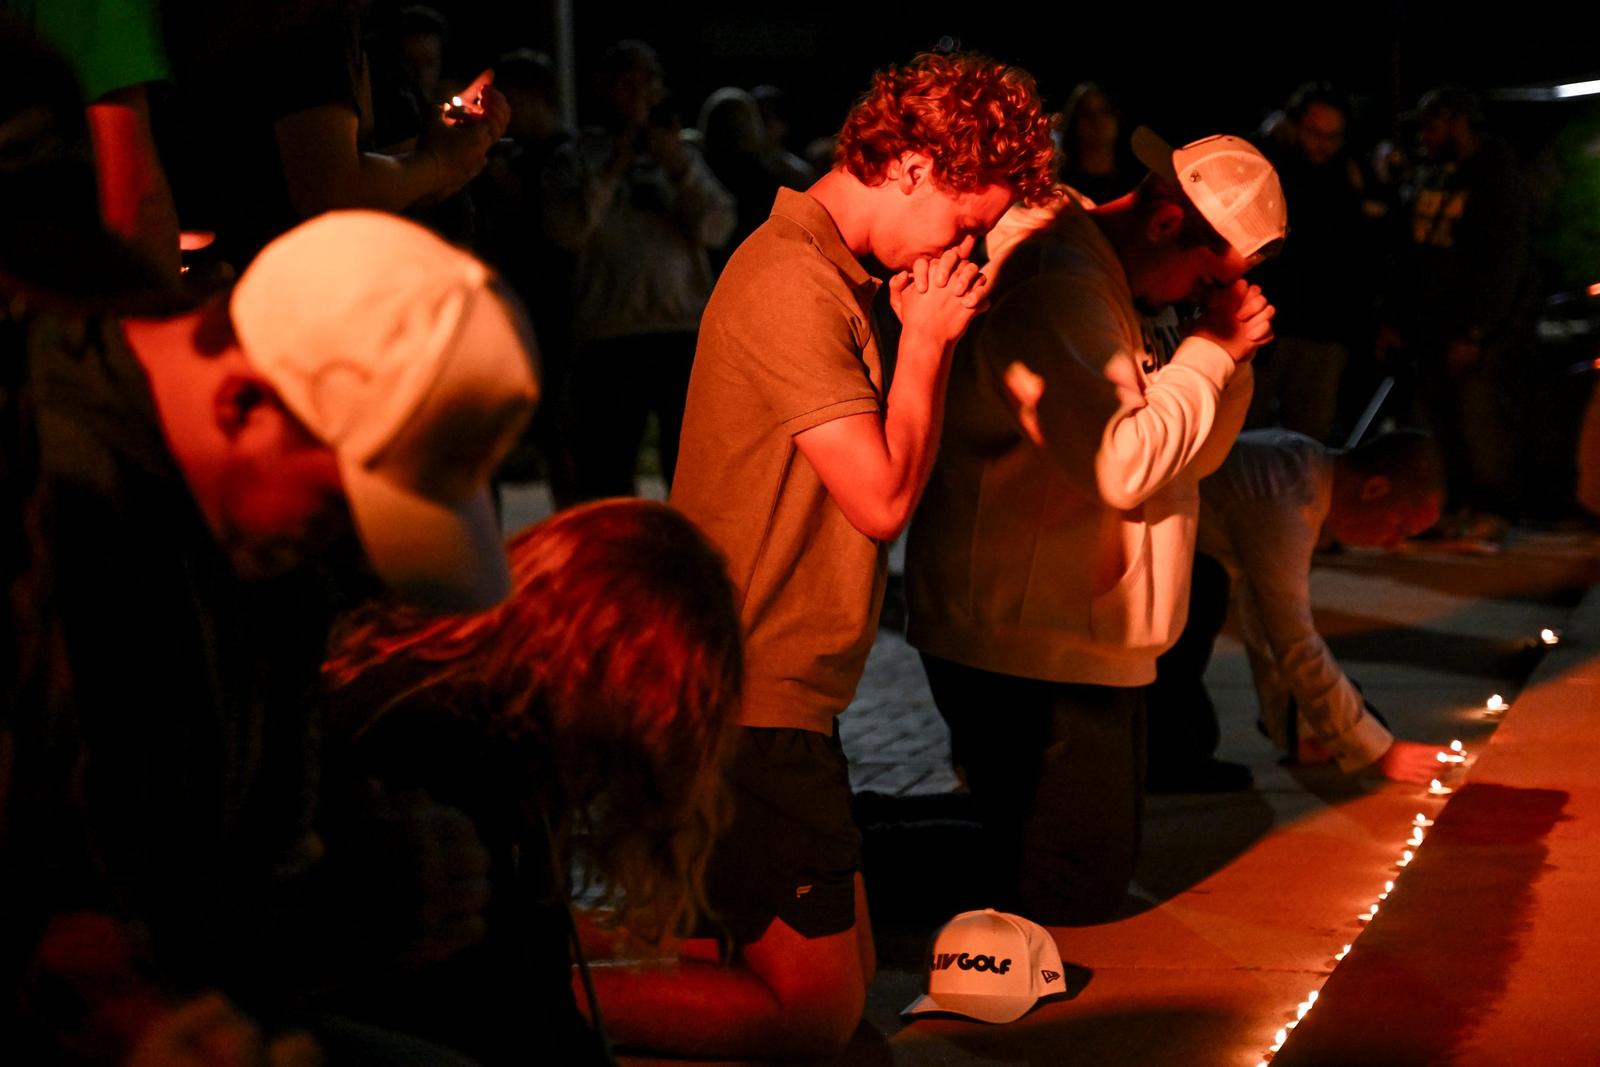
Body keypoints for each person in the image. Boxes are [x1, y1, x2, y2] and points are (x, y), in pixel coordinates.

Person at [585, 50, 1054, 1058]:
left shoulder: (827, 266)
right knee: (816, 1017)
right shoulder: (791, 282)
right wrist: (923, 344)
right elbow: (882, 498)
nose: (961, 250)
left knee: (834, 993)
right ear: (916, 165)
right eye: (965, 222)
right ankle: (524, 993)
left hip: (768, 688)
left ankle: (568, 955)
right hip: (749, 692)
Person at [15, 209, 539, 1061]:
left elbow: (255, 847)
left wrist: (370, 871)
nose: (347, 551)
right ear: (244, 401)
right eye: (342, 506)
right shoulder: (50, 484)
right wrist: (316, 916)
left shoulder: (256, 539)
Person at [906, 127, 1284, 925]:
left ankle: (830, 853)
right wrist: (1211, 351)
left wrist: (1227, 361)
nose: (1197, 300)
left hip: (1079, 633)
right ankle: (819, 870)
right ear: (1164, 222)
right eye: (1205, 277)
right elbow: (1122, 462)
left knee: (1076, 869)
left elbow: (1192, 455)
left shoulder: (1110, 275)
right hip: (1025, 638)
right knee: (1064, 882)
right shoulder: (1059, 282)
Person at [317, 499, 743, 1064]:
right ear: (604, 662)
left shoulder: (499, 714)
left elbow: (535, 979)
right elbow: (498, 1004)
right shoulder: (447, 742)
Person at [1147, 428, 1447, 790]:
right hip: (1141, 559)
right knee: (1204, 597)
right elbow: (1291, 637)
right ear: (1374, 490)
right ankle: (1164, 759)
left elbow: (1263, 615)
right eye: (1400, 527)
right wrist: (1380, 750)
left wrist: (1290, 725)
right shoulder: (1286, 499)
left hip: (1174, 555)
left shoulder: (1303, 461)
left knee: (1209, 596)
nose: (1392, 545)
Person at [544, 39, 736, 500]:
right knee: (606, 470)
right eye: (626, 83)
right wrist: (617, 164)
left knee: (693, 468)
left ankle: (692, 561)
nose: (638, 95)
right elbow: (566, 230)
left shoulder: (680, 155)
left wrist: (677, 170)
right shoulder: (577, 156)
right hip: (608, 333)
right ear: (603, 88)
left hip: (679, 328)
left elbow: (718, 226)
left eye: (647, 83)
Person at [1378, 86, 1531, 535]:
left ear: (1457, 123)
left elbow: (1506, 262)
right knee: (1437, 421)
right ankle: (1450, 505)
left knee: (1478, 418)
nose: (1425, 135)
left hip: (1472, 328)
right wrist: (1392, 318)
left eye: (1432, 125)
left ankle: (1494, 510)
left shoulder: (1496, 177)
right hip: (1426, 327)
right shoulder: (1432, 176)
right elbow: (1405, 254)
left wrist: (1478, 330)